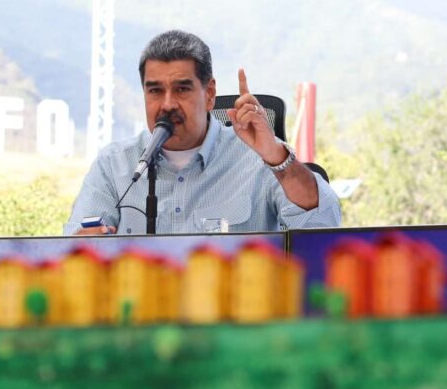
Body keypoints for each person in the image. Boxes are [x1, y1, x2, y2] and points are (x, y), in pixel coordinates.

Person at [64, 30, 342, 235]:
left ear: (209, 94)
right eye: (155, 91)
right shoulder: (115, 164)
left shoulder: (260, 157)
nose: (168, 103)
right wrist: (83, 244)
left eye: (182, 89)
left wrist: (275, 157)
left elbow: (323, 225)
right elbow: (72, 246)